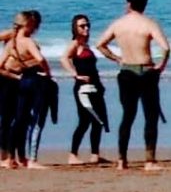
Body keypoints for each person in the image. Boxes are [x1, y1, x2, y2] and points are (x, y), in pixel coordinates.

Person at [96, 0, 170, 171]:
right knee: (150, 116)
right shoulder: (149, 23)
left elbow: (100, 44)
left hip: (127, 70)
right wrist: (161, 65)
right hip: (146, 71)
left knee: (128, 115)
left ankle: (122, 160)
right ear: (145, 4)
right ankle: (149, 160)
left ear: (129, 3)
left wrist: (117, 58)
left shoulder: (118, 24)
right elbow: (166, 48)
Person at [0, 10, 55, 169]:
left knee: (19, 119)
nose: (36, 28)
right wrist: (47, 73)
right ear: (28, 24)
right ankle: (7, 157)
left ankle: (17, 156)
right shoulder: (17, 38)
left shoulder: (15, 41)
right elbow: (39, 58)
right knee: (10, 119)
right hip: (9, 80)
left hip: (20, 79)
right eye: (34, 24)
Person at [60, 14, 109, 164]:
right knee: (85, 121)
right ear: (75, 28)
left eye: (87, 25)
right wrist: (75, 75)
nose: (86, 28)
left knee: (99, 121)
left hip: (95, 88)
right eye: (82, 26)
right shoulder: (75, 44)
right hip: (83, 90)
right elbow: (64, 58)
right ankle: (72, 155)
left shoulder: (86, 45)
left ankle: (95, 154)